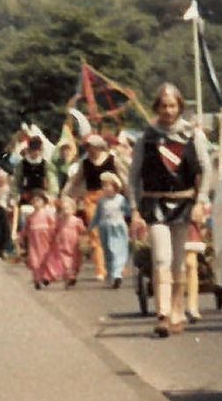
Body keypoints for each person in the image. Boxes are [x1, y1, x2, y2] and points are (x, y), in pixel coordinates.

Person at [134, 84, 208, 338]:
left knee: (179, 261)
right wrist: (136, 207)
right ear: (157, 107)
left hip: (183, 203)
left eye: (172, 105)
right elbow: (135, 175)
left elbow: (205, 169)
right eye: (164, 106)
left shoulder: (192, 135)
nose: (168, 110)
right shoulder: (147, 136)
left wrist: (201, 201)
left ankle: (177, 310)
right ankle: (162, 313)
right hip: (155, 203)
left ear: (179, 107)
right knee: (161, 258)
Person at [63, 132, 124, 284]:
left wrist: (131, 196)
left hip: (112, 200)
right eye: (87, 147)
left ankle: (116, 267)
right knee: (96, 235)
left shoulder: (112, 160)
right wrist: (65, 195)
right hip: (91, 200)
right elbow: (75, 180)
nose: (89, 150)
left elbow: (124, 178)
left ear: (99, 147)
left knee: (114, 234)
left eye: (91, 147)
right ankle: (100, 269)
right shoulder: (85, 164)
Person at [93, 173, 131, 290]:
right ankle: (111, 275)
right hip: (105, 228)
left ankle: (117, 274)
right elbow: (98, 215)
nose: (105, 188)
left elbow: (128, 212)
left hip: (118, 228)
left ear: (115, 187)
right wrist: (91, 226)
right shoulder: (102, 201)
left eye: (108, 185)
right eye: (103, 186)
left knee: (118, 251)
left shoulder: (121, 199)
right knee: (108, 252)